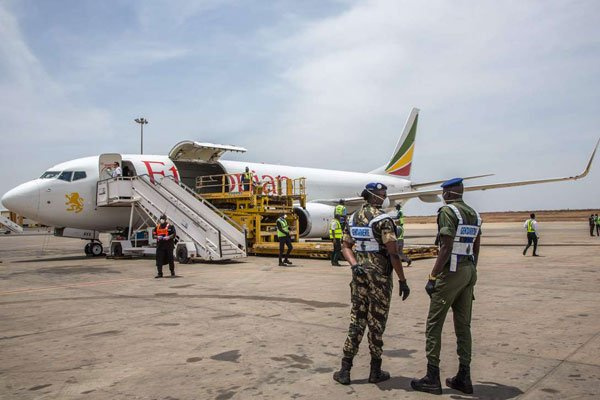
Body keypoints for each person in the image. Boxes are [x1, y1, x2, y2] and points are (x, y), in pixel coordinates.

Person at [333, 182, 410, 386]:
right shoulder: (383, 220)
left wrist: (354, 265)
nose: (384, 196)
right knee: (376, 322)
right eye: (381, 194)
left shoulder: (353, 217)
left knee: (356, 320)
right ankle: (375, 370)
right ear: (373, 196)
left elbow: (346, 247)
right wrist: (402, 280)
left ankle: (345, 370)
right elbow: (393, 252)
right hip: (379, 277)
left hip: (359, 277)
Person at [411, 178, 481, 395]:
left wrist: (433, 275)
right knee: (463, 326)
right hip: (469, 269)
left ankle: (432, 377)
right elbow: (476, 244)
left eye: (444, 191)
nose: (442, 194)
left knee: (434, 324)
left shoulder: (447, 212)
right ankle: (464, 376)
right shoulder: (474, 214)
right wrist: (472, 270)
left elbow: (446, 246)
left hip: (451, 271)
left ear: (450, 193)